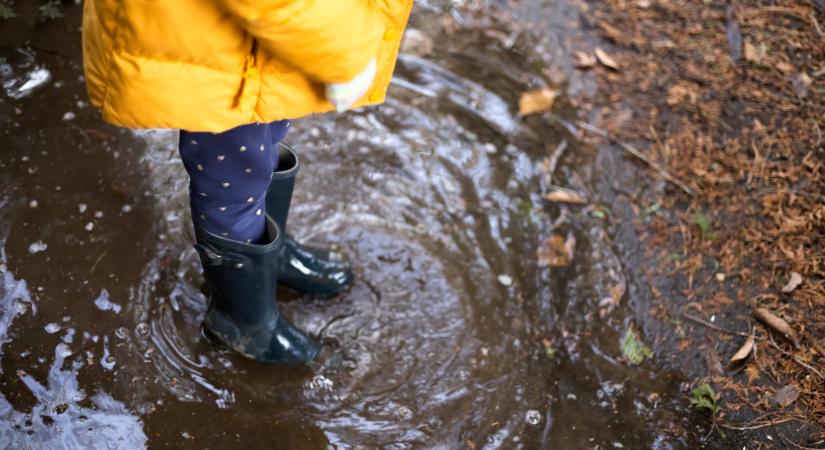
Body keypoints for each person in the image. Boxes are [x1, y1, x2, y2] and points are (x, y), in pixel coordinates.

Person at [81, 0, 413, 364]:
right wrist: (340, 57)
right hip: (214, 49)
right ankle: (241, 322)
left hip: (260, 46)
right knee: (233, 180)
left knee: (267, 137)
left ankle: (271, 256)